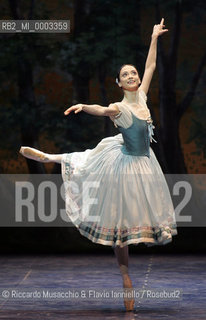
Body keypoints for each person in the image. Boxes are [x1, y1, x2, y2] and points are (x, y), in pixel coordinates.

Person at [19, 18, 177, 312]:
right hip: (126, 165)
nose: (131, 75)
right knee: (116, 218)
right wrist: (83, 106)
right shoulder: (120, 107)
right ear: (119, 83)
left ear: (137, 80)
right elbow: (102, 109)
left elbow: (152, 66)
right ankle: (125, 273)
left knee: (129, 215)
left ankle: (54, 158)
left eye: (133, 72)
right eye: (124, 74)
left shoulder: (142, 96)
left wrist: (154, 37)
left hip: (144, 163)